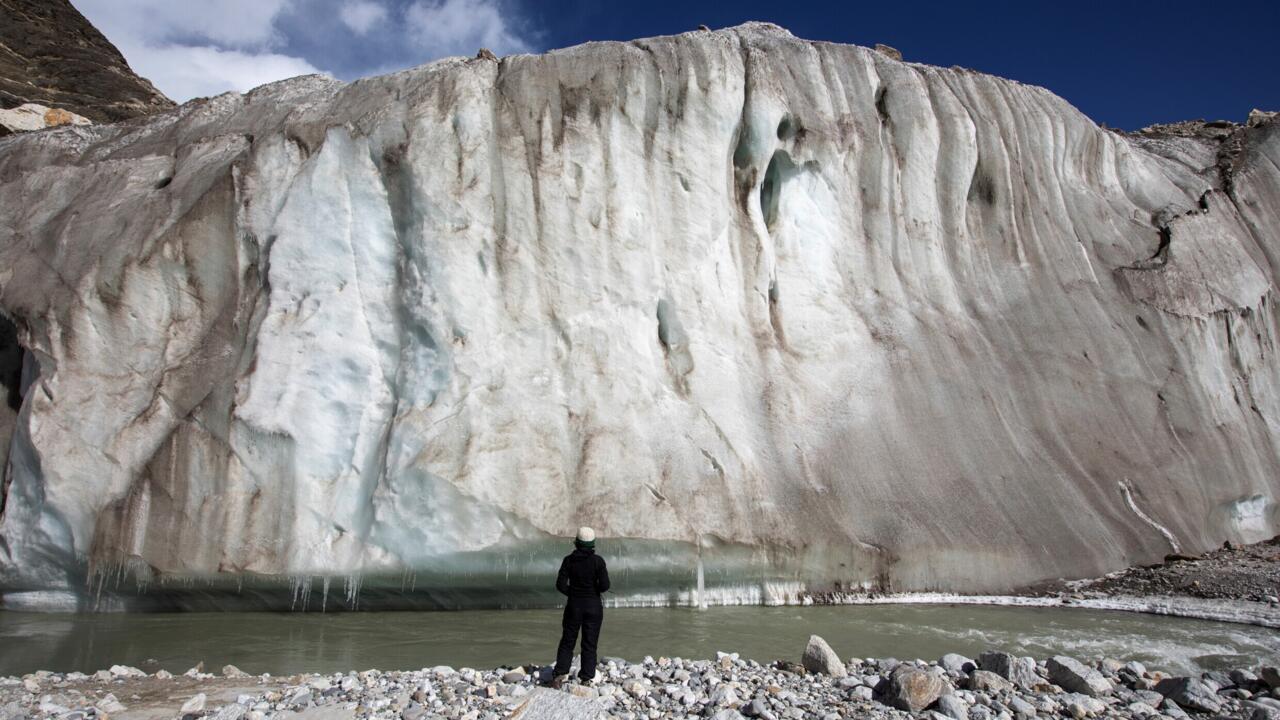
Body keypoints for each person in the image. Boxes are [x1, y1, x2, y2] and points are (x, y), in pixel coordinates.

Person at [551, 526, 610, 686]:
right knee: (589, 643)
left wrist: (573, 593)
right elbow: (605, 585)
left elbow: (560, 585)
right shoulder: (598, 561)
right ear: (593, 544)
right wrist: (593, 591)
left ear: (576, 542)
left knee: (568, 640)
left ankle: (560, 674)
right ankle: (586, 677)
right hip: (593, 606)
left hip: (574, 605)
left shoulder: (568, 560)